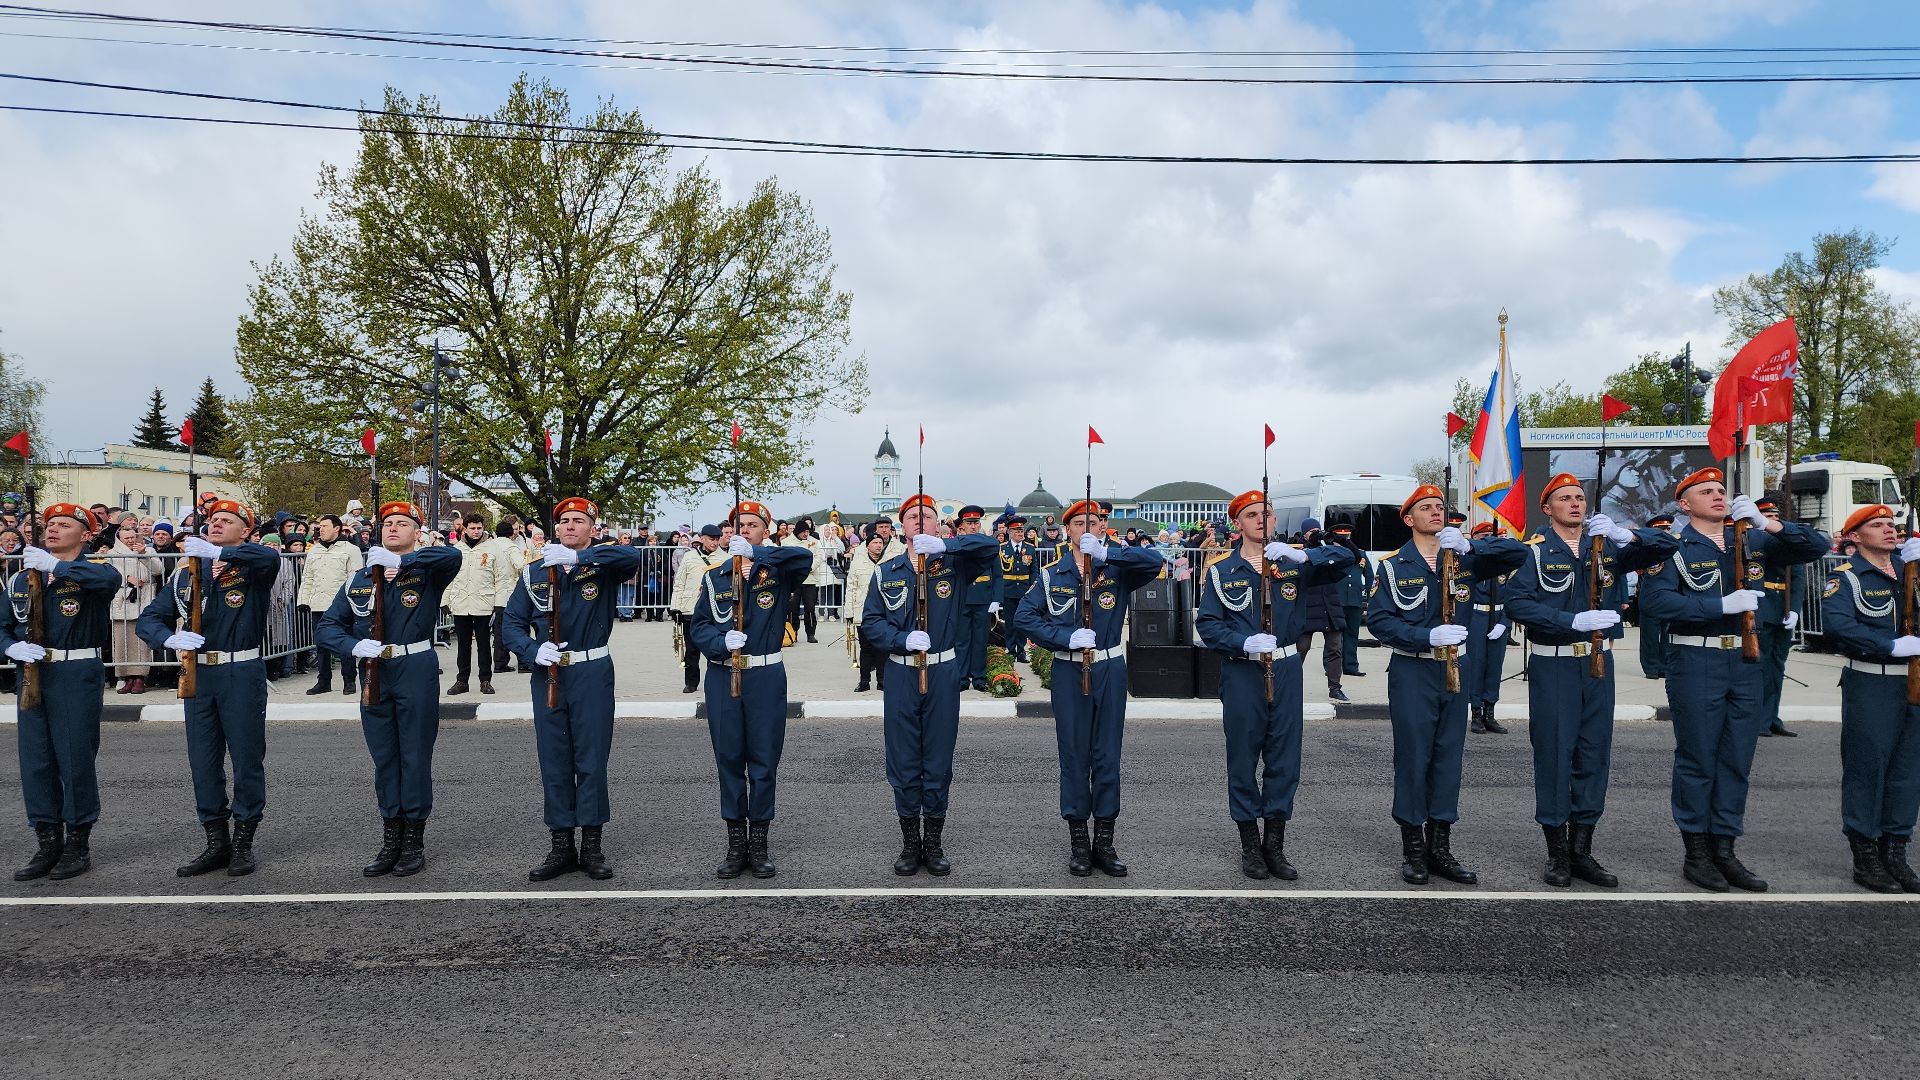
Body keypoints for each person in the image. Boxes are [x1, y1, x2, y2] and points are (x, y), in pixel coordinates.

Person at [1638, 467, 1828, 892]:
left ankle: (1725, 850)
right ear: (1684, 504)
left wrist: (1769, 523)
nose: (1718, 496)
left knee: (1737, 760)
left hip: (1745, 663)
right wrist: (1719, 604)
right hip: (1696, 661)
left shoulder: (1752, 540)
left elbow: (1818, 546)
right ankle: (1697, 853)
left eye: (1721, 490)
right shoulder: (1672, 546)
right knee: (1699, 758)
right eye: (1706, 491)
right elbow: (1656, 602)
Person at [1504, 474, 1679, 887]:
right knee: (1554, 755)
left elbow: (1668, 547)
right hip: (1555, 664)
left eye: (1580, 497)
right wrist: (1570, 620)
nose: (1575, 504)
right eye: (1564, 498)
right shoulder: (1534, 551)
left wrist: (1624, 535)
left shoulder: (1606, 546)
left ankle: (1583, 849)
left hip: (1599, 665)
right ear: (1547, 509)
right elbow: (1517, 603)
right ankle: (1557, 853)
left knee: (1594, 755)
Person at [1366, 486, 1525, 886]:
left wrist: (1470, 546)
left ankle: (1441, 848)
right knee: (1414, 757)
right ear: (1409, 519)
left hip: (1457, 669)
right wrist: (1425, 636)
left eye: (1440, 507)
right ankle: (1414, 850)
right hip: (1413, 671)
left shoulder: (1464, 560)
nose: (1436, 512)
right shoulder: (1392, 566)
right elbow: (1381, 622)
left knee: (1448, 759)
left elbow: (1519, 554)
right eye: (1426, 508)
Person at [1196, 490, 1356, 880]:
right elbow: (1207, 625)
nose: (1260, 520)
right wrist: (1241, 642)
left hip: (1285, 669)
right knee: (1243, 758)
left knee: (1285, 759)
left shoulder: (1292, 564)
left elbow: (1348, 558)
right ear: (1238, 524)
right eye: (1251, 515)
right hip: (1243, 671)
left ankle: (1275, 844)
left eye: (1266, 514)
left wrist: (1305, 554)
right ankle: (1250, 845)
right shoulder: (1221, 571)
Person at [1013, 499, 1166, 877]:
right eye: (1078, 523)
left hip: (1109, 668)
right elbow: (1024, 617)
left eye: (1093, 522)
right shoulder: (1053, 575)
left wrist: (1109, 552)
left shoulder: (1117, 567)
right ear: (1067, 531)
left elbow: (1155, 563)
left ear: (1102, 528)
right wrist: (1064, 636)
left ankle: (1105, 842)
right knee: (1075, 757)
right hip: (1068, 671)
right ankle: (1079, 842)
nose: (1085, 528)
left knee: (1107, 755)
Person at [136, 497, 282, 877]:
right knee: (203, 761)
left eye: (226, 520)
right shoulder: (187, 573)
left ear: (245, 531)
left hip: (240, 672)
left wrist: (218, 552)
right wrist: (169, 639)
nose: (215, 524)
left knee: (247, 758)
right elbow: (150, 618)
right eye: (212, 520)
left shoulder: (251, 567)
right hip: (199, 676)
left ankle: (244, 841)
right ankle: (216, 841)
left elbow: (268, 560)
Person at [316, 501, 462, 877]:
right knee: (385, 759)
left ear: (417, 531)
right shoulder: (361, 577)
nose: (392, 529)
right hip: (375, 670)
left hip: (414, 667)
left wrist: (405, 563)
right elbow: (329, 625)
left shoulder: (427, 570)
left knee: (414, 755)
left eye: (402, 524)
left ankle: (414, 839)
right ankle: (390, 837)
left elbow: (451, 559)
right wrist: (352, 646)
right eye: (387, 524)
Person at [502, 497, 644, 882]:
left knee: (591, 760)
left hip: (591, 673)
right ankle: (561, 846)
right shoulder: (534, 573)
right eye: (563, 521)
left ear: (591, 528)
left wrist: (579, 560)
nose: (569, 527)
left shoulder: (601, 566)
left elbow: (628, 559)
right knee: (555, 760)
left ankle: (592, 846)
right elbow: (511, 624)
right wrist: (533, 650)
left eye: (578, 521)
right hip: (549, 674)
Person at [861, 492, 995, 876]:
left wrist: (947, 545)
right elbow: (871, 621)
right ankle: (909, 842)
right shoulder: (886, 572)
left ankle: (933, 841)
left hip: (942, 671)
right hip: (902, 671)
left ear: (939, 525)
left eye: (928, 517)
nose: (920, 522)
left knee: (938, 755)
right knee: (903, 757)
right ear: (900, 527)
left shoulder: (954, 564)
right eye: (912, 517)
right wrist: (900, 639)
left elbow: (987, 547)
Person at [687, 500, 813, 878]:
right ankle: (735, 844)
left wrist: (756, 554)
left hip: (764, 677)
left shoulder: (777, 571)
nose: (743, 531)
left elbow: (802, 560)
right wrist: (719, 641)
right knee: (729, 759)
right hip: (724, 675)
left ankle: (759, 843)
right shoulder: (715, 576)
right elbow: (699, 626)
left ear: (765, 530)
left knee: (763, 762)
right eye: (738, 526)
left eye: (752, 526)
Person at [4, 504, 120, 880]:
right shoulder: (22, 579)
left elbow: (106, 583)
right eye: (49, 524)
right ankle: (47, 841)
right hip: (33, 672)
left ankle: (77, 843)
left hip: (75, 671)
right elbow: (3, 626)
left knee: (74, 758)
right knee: (36, 761)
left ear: (85, 535)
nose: (52, 529)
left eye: (64, 524)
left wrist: (54, 567)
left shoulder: (95, 572)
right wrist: (9, 648)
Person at [1818, 504, 1920, 892]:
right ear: (1856, 537)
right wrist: (1890, 645)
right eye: (1877, 526)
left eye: (1891, 525)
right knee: (1868, 769)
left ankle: (1896, 851)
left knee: (1907, 773)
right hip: (1872, 681)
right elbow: (1838, 624)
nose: (1889, 531)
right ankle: (1865, 856)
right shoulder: (1846, 577)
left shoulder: (1911, 572)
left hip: (1913, 683)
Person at [296, 515, 363, 696]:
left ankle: (349, 680)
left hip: (340, 606)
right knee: (321, 645)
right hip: (318, 603)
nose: (321, 530)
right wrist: (303, 600)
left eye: (325, 526)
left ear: (337, 529)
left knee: (345, 644)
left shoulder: (351, 550)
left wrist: (354, 604)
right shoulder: (314, 551)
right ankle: (323, 681)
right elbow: (307, 577)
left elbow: (356, 580)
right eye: (319, 527)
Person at [1753, 493, 1802, 738]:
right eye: (1768, 516)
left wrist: (1795, 609)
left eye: (1775, 516)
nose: (1773, 519)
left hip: (1784, 609)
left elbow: (1798, 579)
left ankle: (1772, 717)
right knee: (1761, 666)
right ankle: (1759, 719)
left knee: (1777, 666)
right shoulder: (1756, 542)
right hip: (1764, 608)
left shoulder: (1789, 542)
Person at [1462, 522, 1515, 735]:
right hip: (1476, 617)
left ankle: (1489, 713)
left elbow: (1516, 595)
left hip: (1499, 616)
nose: (1489, 540)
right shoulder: (1470, 563)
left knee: (1494, 666)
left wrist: (1505, 622)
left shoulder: (1505, 565)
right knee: (1476, 666)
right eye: (1483, 536)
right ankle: (1476, 713)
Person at [1292, 517, 1352, 704]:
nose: (1316, 534)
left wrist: (1328, 542)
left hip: (1329, 605)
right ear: (1304, 534)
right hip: (1308, 606)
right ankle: (1290, 685)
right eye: (1312, 532)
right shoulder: (1298, 552)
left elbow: (1349, 557)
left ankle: (1335, 687)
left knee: (1335, 649)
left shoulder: (1329, 548)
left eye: (1318, 530)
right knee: (1301, 648)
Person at [105, 513, 163, 695]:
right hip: (122, 599)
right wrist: (126, 579)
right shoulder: (112, 554)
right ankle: (125, 677)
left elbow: (158, 570)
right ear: (120, 539)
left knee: (141, 640)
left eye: (132, 537)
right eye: (126, 538)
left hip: (144, 598)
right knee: (121, 640)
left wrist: (143, 555)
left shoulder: (148, 550)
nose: (130, 540)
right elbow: (107, 573)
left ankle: (139, 677)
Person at [445, 512, 502, 696]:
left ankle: (485, 680)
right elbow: (449, 577)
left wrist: (499, 602)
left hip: (484, 602)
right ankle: (462, 680)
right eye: (472, 528)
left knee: (484, 644)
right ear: (465, 528)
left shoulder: (492, 548)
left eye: (479, 528)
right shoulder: (456, 550)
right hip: (461, 602)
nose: (476, 531)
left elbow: (500, 577)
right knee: (463, 645)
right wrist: (445, 600)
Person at [669, 525, 726, 694]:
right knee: (691, 649)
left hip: (713, 610)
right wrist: (675, 607)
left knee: (713, 647)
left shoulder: (725, 557)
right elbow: (679, 582)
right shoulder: (689, 557)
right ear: (702, 539)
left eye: (717, 539)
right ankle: (691, 682)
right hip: (690, 608)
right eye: (711, 539)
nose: (714, 543)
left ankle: (715, 680)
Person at [951, 506, 1000, 692]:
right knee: (962, 640)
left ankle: (979, 677)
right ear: (962, 525)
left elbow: (998, 575)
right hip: (963, 598)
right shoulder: (957, 544)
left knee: (980, 640)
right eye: (969, 523)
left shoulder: (988, 544)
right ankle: (962, 677)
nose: (973, 526)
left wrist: (996, 598)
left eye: (976, 523)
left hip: (983, 599)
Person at [845, 531, 889, 693]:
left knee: (882, 647)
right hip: (863, 611)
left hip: (883, 612)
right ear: (867, 545)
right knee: (866, 647)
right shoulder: (858, 562)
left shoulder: (888, 561)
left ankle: (882, 680)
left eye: (880, 543)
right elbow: (851, 587)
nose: (878, 545)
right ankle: (864, 681)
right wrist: (849, 611)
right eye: (874, 543)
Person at [1637, 513, 1676, 680]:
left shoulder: (1675, 548)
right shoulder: (1645, 549)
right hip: (1650, 599)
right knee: (1650, 637)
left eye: (1668, 528)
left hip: (1670, 597)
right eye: (1662, 529)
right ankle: (1651, 668)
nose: (1666, 531)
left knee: (1667, 636)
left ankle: (1664, 666)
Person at [997, 515, 1038, 662]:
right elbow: (999, 572)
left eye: (1021, 530)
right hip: (1008, 589)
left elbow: (1034, 570)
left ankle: (1021, 651)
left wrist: (1033, 588)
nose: (1020, 533)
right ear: (1009, 532)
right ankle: (1010, 649)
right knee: (1009, 621)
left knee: (1022, 620)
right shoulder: (1002, 548)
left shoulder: (1030, 548)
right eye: (1017, 531)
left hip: (1024, 590)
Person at [1333, 523, 1371, 679]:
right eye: (1341, 537)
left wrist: (1370, 597)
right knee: (1334, 637)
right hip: (1336, 600)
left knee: (1352, 634)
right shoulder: (1331, 553)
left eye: (1346, 537)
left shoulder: (1361, 554)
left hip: (1355, 600)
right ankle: (1332, 666)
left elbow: (1369, 576)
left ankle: (1350, 666)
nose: (1344, 540)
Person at [490, 520, 527, 675]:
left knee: (499, 631)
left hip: (494, 595)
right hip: (511, 594)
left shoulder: (490, 546)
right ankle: (524, 662)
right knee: (519, 628)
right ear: (511, 533)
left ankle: (500, 663)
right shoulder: (511, 547)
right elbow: (521, 565)